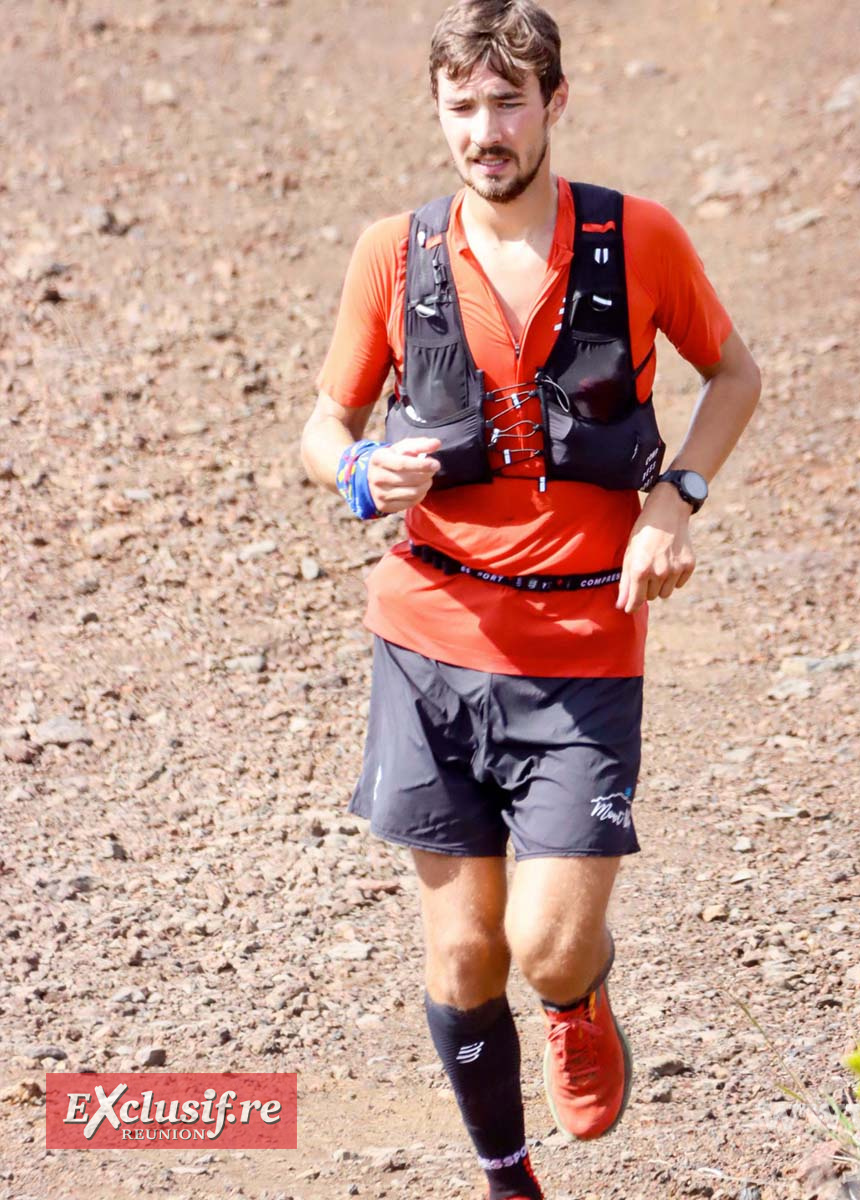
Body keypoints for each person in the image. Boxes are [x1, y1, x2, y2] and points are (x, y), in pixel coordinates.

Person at [300, 2, 760, 1196]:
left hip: (584, 648)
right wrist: (358, 471)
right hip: (429, 637)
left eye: (508, 103)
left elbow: (735, 373)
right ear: (439, 114)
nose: (484, 132)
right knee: (461, 951)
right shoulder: (391, 253)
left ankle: (578, 996)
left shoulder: (636, 237)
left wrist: (677, 502)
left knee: (543, 946)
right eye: (463, 108)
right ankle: (508, 1178)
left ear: (555, 104)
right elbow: (324, 424)